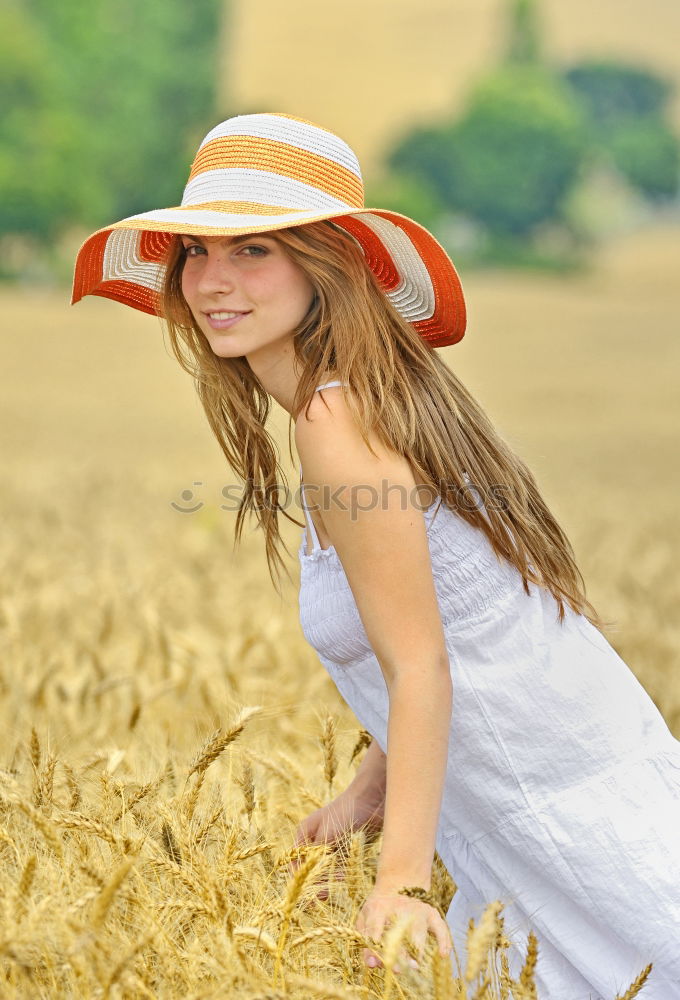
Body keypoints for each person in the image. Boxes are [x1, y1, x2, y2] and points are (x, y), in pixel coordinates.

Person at [72, 112, 680, 998]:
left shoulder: (335, 421)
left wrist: (397, 883)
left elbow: (422, 660)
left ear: (327, 267)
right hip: (543, 814)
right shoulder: (366, 403)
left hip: (576, 828)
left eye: (253, 251)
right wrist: (368, 795)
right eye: (196, 252)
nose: (211, 281)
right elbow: (457, 637)